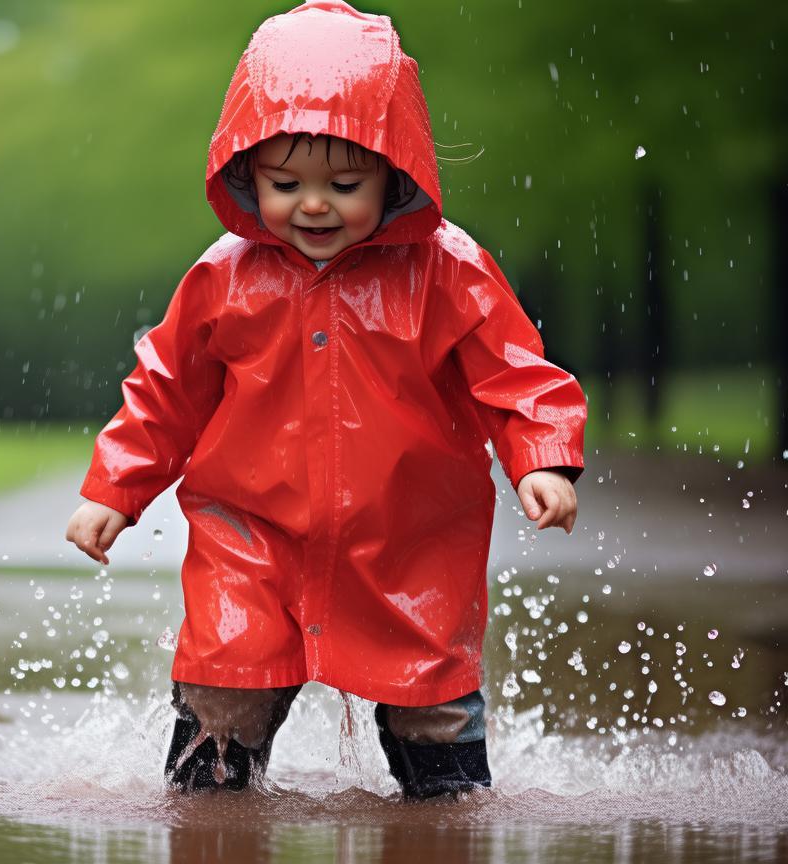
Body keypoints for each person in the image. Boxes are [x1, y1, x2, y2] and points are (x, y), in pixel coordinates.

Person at [65, 0, 586, 798]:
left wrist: (541, 458)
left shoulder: (448, 270)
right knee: (223, 691)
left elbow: (515, 373)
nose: (314, 205)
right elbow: (165, 391)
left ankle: (447, 808)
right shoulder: (225, 276)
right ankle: (207, 817)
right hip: (252, 542)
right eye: (285, 183)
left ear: (395, 171)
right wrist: (116, 487)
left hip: (411, 544)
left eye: (345, 183)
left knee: (434, 717)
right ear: (246, 172)